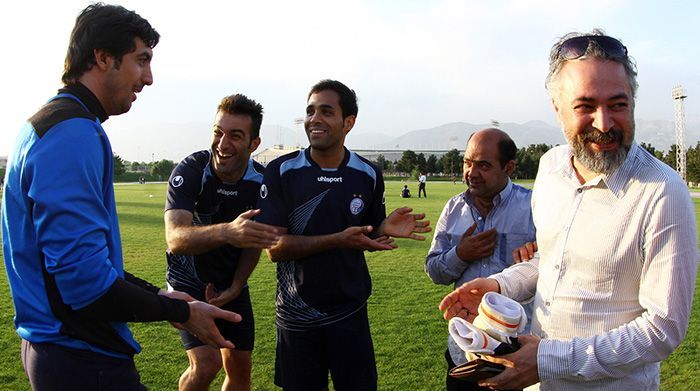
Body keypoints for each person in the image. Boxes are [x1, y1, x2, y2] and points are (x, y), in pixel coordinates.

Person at [439, 30, 699, 390]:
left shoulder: (663, 193)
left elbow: (663, 328)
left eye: (618, 104)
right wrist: (501, 283)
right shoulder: (551, 167)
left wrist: (548, 360)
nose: (604, 123)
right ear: (557, 106)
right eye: (585, 106)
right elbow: (554, 259)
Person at [1, 4, 240, 390]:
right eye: (141, 60)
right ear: (103, 57)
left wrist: (160, 295)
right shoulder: (73, 134)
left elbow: (84, 265)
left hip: (61, 352)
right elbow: (84, 284)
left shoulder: (48, 124)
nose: (148, 78)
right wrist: (177, 309)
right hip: (81, 358)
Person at [256, 79, 431, 391]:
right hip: (297, 316)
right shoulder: (282, 170)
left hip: (349, 312)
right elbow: (275, 248)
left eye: (326, 111)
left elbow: (367, 233)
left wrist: (382, 228)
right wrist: (338, 239)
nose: (315, 119)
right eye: (310, 111)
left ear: (348, 122)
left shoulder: (366, 173)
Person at [165, 94, 280, 390]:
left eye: (235, 135)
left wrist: (237, 285)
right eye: (218, 132)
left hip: (231, 283)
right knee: (207, 364)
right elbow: (175, 238)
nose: (222, 143)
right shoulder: (192, 170)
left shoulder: (263, 182)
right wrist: (228, 231)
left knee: (240, 372)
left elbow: (254, 241)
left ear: (254, 144)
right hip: (187, 281)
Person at [426, 128, 536, 391]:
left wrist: (541, 251)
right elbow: (434, 271)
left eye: (484, 165)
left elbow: (558, 266)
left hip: (518, 356)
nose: (471, 173)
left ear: (508, 167)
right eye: (468, 162)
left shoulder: (533, 208)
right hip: (464, 352)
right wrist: (460, 254)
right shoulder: (454, 209)